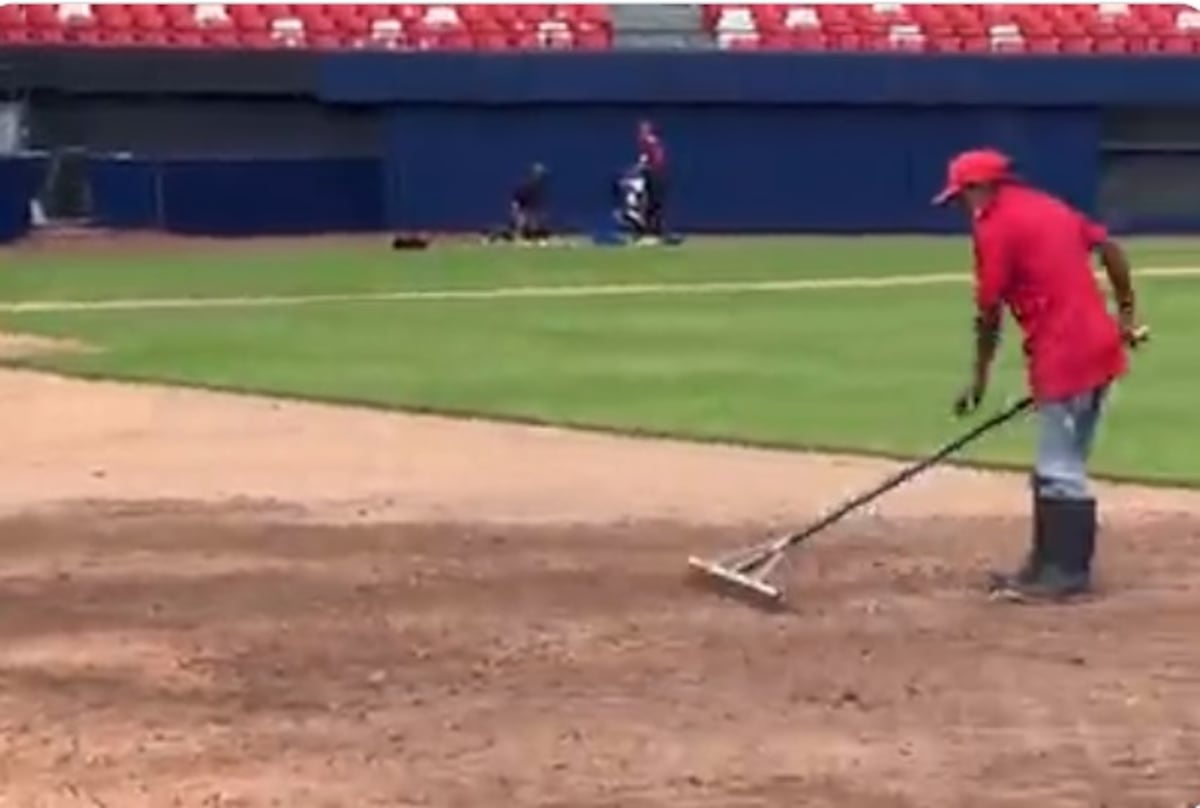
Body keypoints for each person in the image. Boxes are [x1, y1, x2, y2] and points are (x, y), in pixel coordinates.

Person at [934, 148, 1147, 603]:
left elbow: (989, 311)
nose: (962, 208)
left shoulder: (995, 227)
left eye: (962, 196)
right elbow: (1110, 248)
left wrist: (979, 378)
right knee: (1062, 460)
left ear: (982, 187)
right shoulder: (1051, 206)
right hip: (1100, 347)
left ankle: (1066, 573)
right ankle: (1045, 563)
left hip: (1063, 355)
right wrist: (1126, 315)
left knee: (1059, 467)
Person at [490, 162, 549, 244]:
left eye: (541, 175)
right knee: (519, 225)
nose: (540, 177)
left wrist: (536, 214)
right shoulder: (526, 185)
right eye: (538, 174)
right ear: (533, 174)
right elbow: (517, 199)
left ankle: (528, 238)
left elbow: (536, 204)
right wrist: (517, 211)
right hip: (520, 209)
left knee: (532, 226)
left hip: (529, 210)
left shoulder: (539, 188)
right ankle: (498, 234)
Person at [636, 120, 668, 238]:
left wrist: (647, 167)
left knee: (653, 203)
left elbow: (657, 158)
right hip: (651, 174)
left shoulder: (650, 141)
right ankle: (649, 231)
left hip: (655, 175)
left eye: (644, 129)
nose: (641, 132)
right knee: (647, 204)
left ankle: (657, 231)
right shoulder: (645, 142)